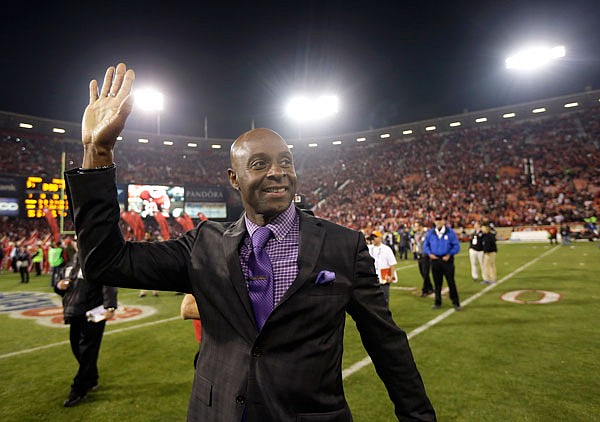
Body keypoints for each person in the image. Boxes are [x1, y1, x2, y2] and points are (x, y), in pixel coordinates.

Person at [64, 63, 435, 421]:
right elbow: (104, 262)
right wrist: (98, 153)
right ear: (234, 178)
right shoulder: (202, 246)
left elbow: (387, 346)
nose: (277, 172)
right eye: (258, 164)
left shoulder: (344, 246)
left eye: (286, 162)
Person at [54, 246, 118, 407]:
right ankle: (92, 378)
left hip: (92, 312)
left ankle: (78, 390)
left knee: (87, 351)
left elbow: (108, 281)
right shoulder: (69, 264)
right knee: (77, 348)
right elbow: (62, 285)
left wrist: (110, 306)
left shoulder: (95, 259)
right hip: (73, 312)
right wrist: (59, 286)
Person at [423, 215, 461, 311]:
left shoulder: (450, 232)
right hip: (435, 260)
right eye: (437, 220)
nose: (439, 222)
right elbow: (425, 245)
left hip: (447, 260)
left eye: (440, 220)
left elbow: (456, 246)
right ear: (434, 221)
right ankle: (437, 302)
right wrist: (429, 253)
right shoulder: (431, 233)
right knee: (437, 283)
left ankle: (456, 302)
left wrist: (449, 254)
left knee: (451, 282)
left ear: (444, 221)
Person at [367, 230, 397, 306]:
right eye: (372, 238)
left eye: (375, 237)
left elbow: (392, 264)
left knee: (384, 299)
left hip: (384, 278)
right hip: (372, 278)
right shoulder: (369, 248)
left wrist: (392, 276)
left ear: (380, 238)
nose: (373, 239)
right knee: (372, 299)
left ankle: (385, 316)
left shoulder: (387, 249)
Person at [413, 222, 433, 297]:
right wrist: (414, 252)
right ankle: (430, 287)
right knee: (422, 273)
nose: (415, 227)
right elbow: (415, 244)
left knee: (425, 272)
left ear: (420, 226)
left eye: (416, 226)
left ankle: (425, 290)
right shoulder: (416, 234)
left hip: (426, 255)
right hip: (419, 255)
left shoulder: (427, 234)